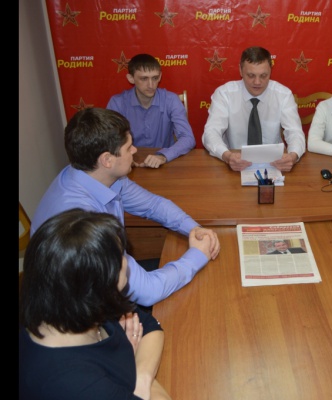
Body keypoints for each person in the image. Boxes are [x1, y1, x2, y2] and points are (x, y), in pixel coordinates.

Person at [30, 107, 220, 308]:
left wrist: (194, 229)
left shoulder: (96, 174)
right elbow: (149, 291)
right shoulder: (82, 223)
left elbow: (153, 205)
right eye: (129, 148)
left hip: (103, 283)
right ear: (107, 160)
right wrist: (198, 255)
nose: (135, 150)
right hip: (78, 311)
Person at [19, 208, 171, 399]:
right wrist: (130, 366)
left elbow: (150, 327)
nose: (126, 263)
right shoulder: (74, 384)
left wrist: (140, 378)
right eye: (120, 258)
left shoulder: (71, 302)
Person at [202, 46, 306, 172]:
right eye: (251, 75)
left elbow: (295, 132)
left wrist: (293, 156)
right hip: (234, 164)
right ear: (240, 71)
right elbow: (211, 132)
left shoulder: (283, 94)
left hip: (274, 164)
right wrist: (227, 156)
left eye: (263, 75)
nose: (257, 82)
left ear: (270, 71)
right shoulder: (224, 94)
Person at [107, 53, 195, 168]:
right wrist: (125, 158)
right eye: (144, 79)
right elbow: (109, 139)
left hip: (164, 163)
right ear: (131, 78)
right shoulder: (117, 103)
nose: (151, 85)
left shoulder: (171, 100)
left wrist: (163, 156)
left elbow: (188, 138)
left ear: (160, 76)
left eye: (155, 78)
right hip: (128, 164)